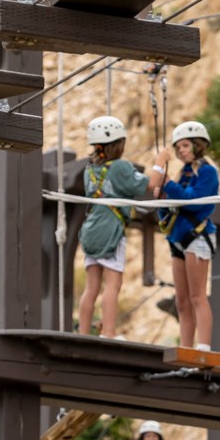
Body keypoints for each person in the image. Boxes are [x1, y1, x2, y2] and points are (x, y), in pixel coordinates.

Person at [148, 119, 220, 350]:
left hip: (198, 237)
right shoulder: (186, 172)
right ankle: (187, 347)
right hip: (179, 239)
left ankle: (204, 346)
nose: (181, 150)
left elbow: (192, 201)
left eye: (186, 145)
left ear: (198, 145)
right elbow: (174, 204)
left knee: (197, 296)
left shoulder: (207, 172)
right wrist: (162, 198)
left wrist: (168, 183)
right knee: (182, 300)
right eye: (179, 147)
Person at [78, 115, 149, 339]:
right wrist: (160, 163)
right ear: (119, 145)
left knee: (91, 287)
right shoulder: (120, 167)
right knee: (112, 285)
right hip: (111, 231)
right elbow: (146, 185)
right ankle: (108, 332)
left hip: (90, 231)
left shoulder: (89, 170)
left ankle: (83, 332)